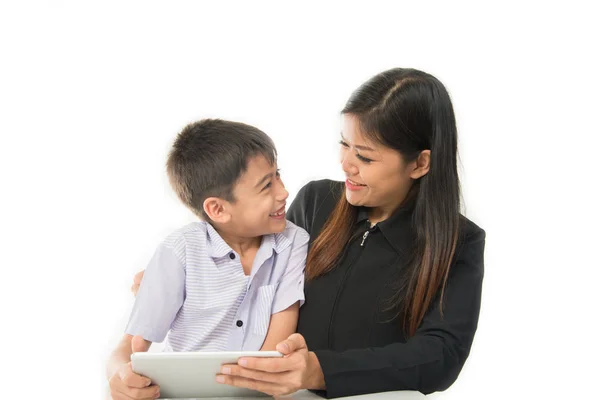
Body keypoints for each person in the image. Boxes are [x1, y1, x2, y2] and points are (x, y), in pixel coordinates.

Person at [132, 67, 486, 398]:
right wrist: (180, 280)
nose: (346, 163)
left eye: (365, 156)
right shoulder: (318, 201)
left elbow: (442, 355)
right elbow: (251, 275)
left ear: (420, 163)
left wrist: (322, 370)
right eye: (344, 144)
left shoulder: (459, 241)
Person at [107, 119, 309, 400]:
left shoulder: (293, 242)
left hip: (255, 392)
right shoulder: (180, 250)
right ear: (217, 209)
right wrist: (118, 376)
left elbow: (275, 349)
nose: (284, 191)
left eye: (278, 175)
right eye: (266, 186)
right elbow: (131, 347)